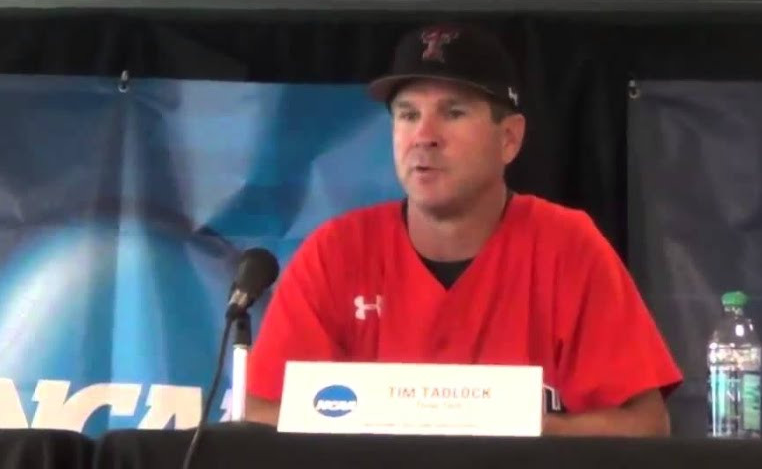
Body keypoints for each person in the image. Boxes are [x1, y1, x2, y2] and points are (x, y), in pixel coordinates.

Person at [245, 23, 681, 436]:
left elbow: (643, 424)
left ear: (509, 139)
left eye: (452, 113)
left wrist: (521, 432)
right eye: (408, 114)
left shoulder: (566, 244)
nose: (424, 135)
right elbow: (261, 411)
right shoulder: (337, 250)